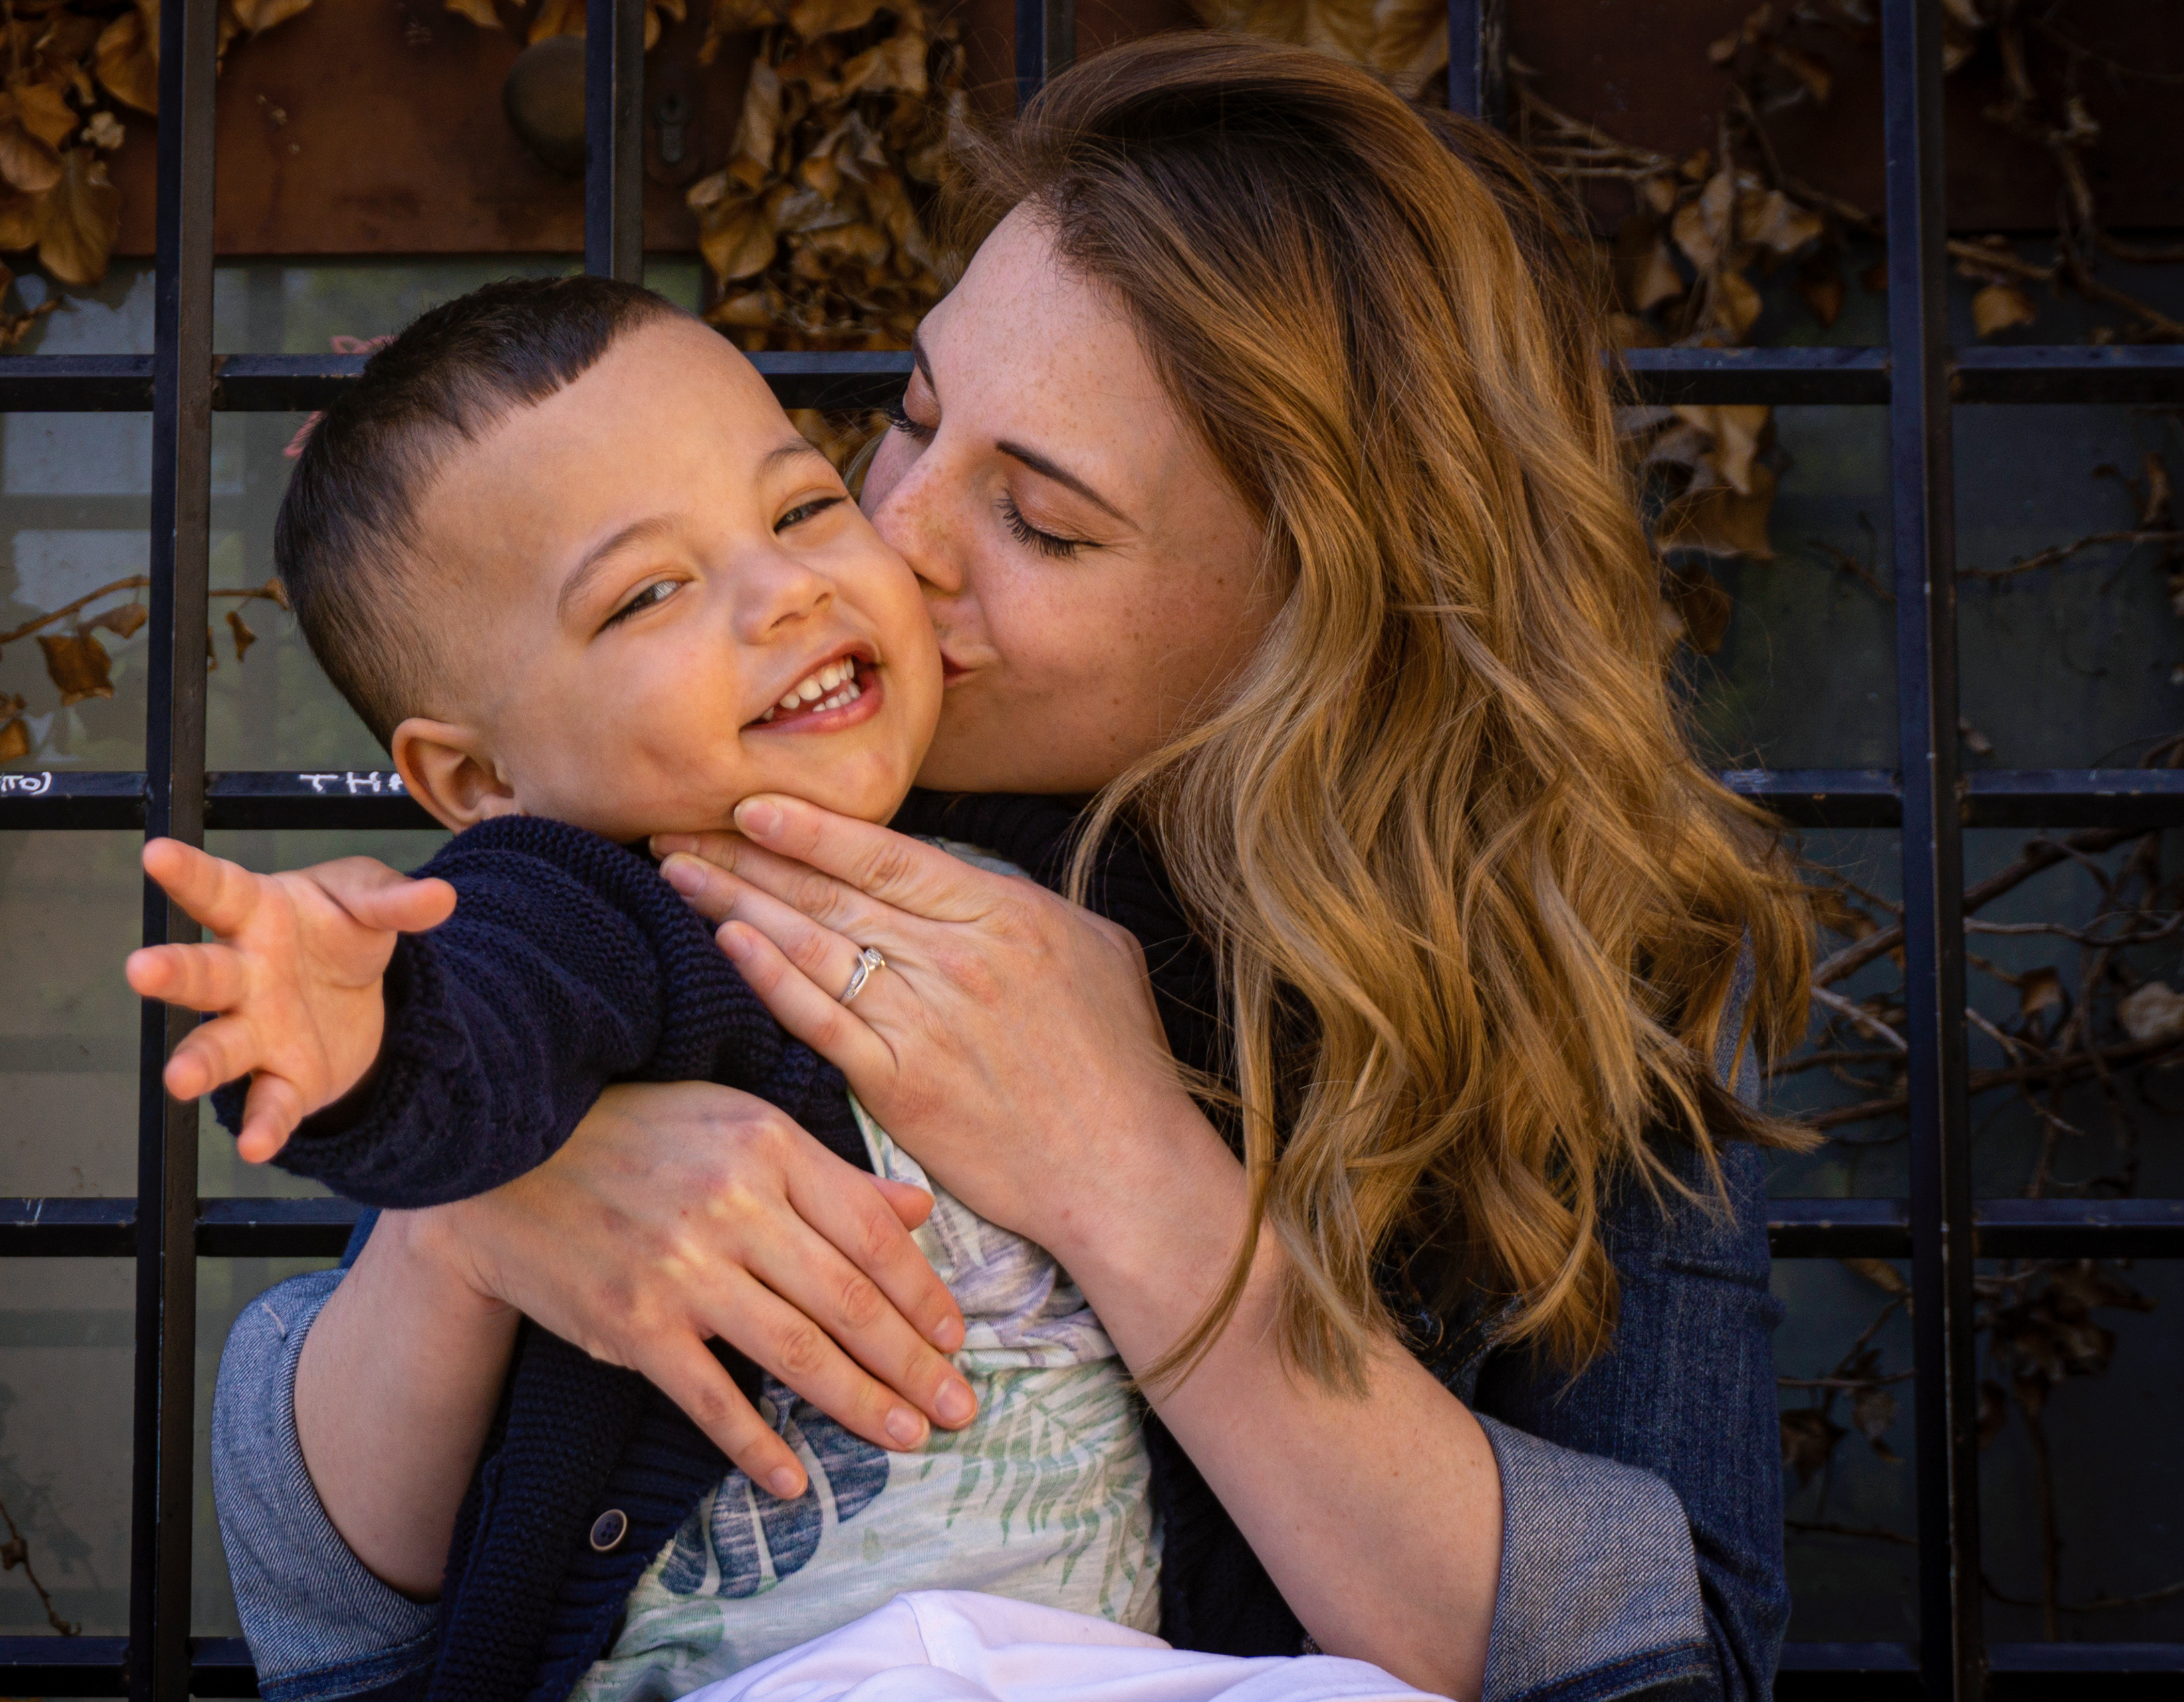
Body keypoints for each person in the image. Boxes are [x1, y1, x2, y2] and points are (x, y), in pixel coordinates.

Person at [203, 35, 1814, 1702]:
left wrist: (1131, 1174)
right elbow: (336, 1618)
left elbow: (1670, 1663)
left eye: (1041, 522)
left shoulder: (1595, 956)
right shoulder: (720, 800)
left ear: (1318, 617)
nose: (886, 543)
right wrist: (479, 1201)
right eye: (906, 421)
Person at [138, 275, 1436, 1702]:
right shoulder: (598, 905)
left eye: (805, 508)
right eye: (650, 592)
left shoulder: (1085, 866)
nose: (790, 590)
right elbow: (484, 1030)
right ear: (480, 779)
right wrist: (365, 1036)